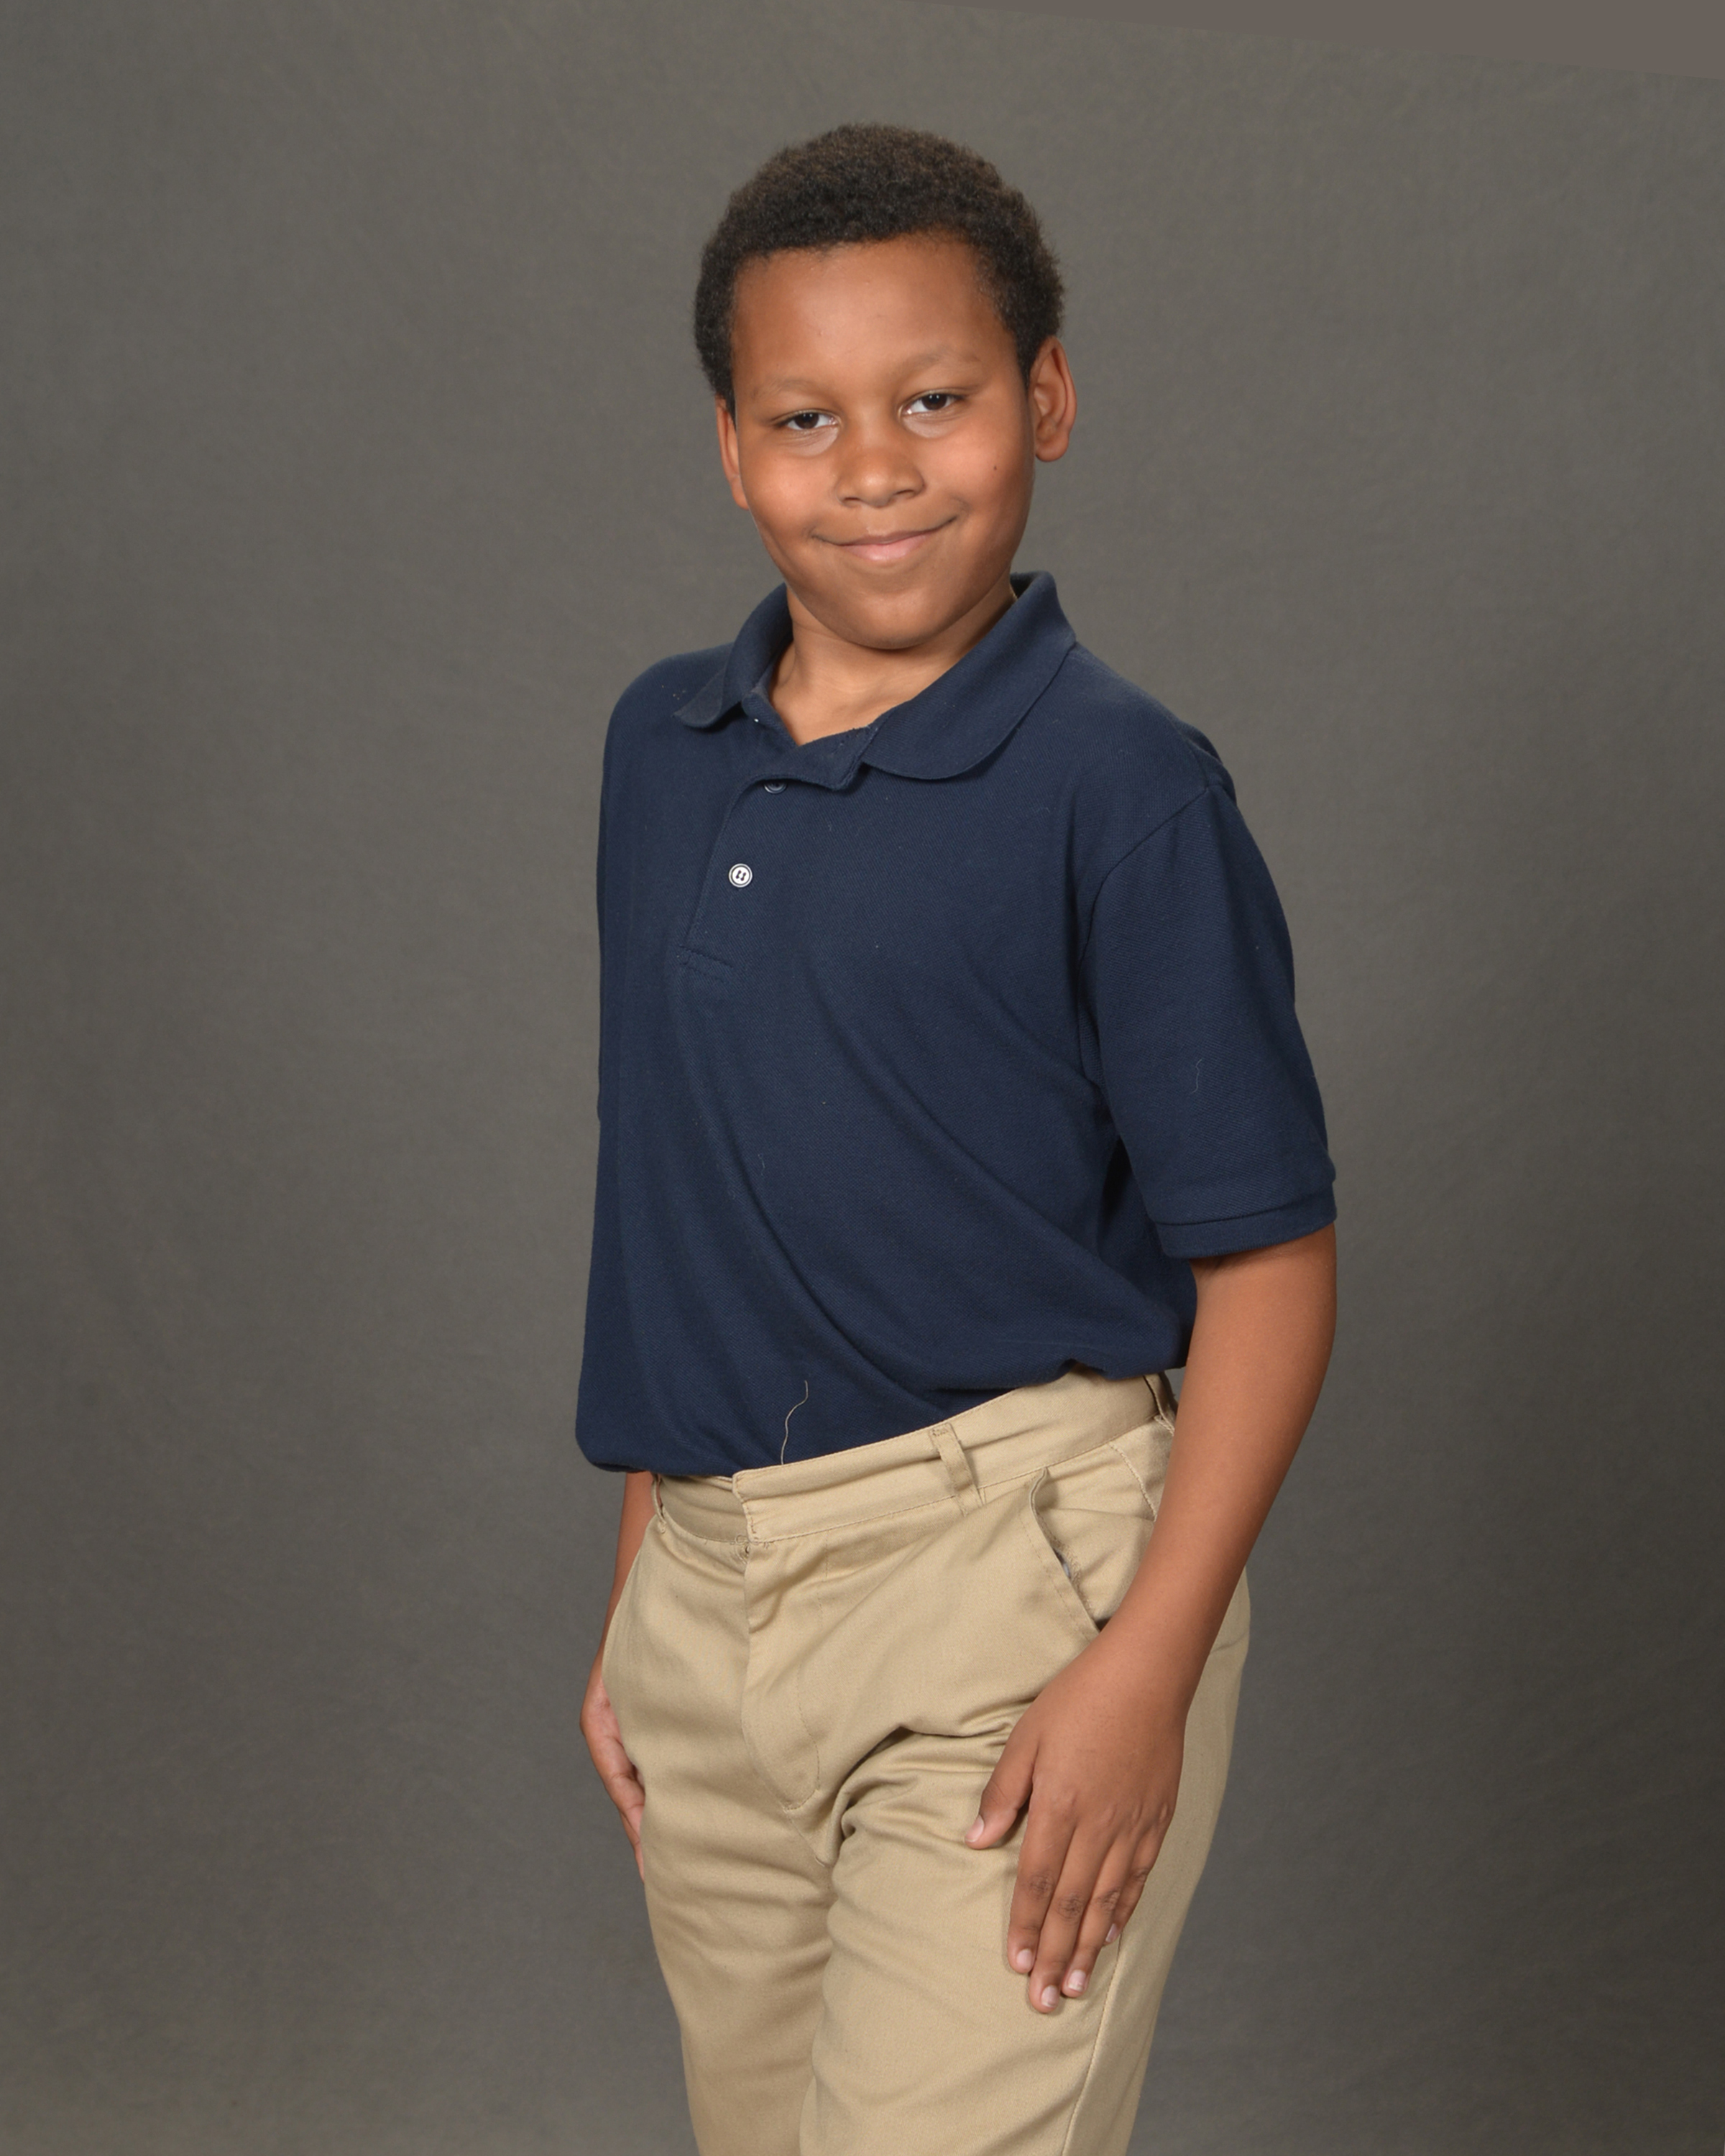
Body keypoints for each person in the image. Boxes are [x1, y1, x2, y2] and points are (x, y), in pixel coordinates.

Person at [576, 122, 1336, 2156]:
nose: (876, 469)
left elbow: (1269, 1267)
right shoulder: (664, 751)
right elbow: (687, 1187)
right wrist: (655, 1588)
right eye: (806, 418)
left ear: (1047, 398)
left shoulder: (1126, 791)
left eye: (936, 400)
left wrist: (1148, 1666)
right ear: (731, 448)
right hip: (714, 1599)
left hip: (1013, 1584)